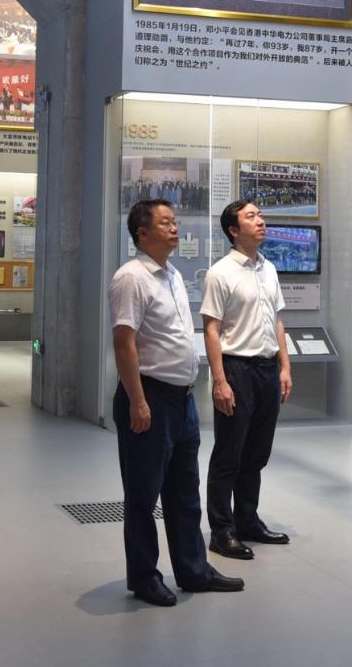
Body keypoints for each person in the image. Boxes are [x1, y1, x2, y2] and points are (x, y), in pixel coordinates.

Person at [111, 200, 244, 606]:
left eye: (174, 222)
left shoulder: (170, 274)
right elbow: (124, 342)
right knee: (143, 495)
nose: (174, 228)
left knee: (185, 493)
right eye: (165, 223)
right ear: (142, 233)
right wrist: (137, 400)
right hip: (149, 397)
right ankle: (144, 578)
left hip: (181, 400)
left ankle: (193, 569)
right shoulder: (131, 278)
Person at [202, 200, 293, 561]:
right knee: (229, 453)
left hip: (267, 369)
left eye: (260, 215)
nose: (261, 221)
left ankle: (248, 520)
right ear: (233, 230)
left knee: (257, 452)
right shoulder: (220, 273)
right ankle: (221, 531)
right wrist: (219, 380)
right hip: (236, 368)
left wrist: (285, 367)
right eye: (251, 217)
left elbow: (277, 321)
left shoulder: (269, 269)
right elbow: (211, 329)